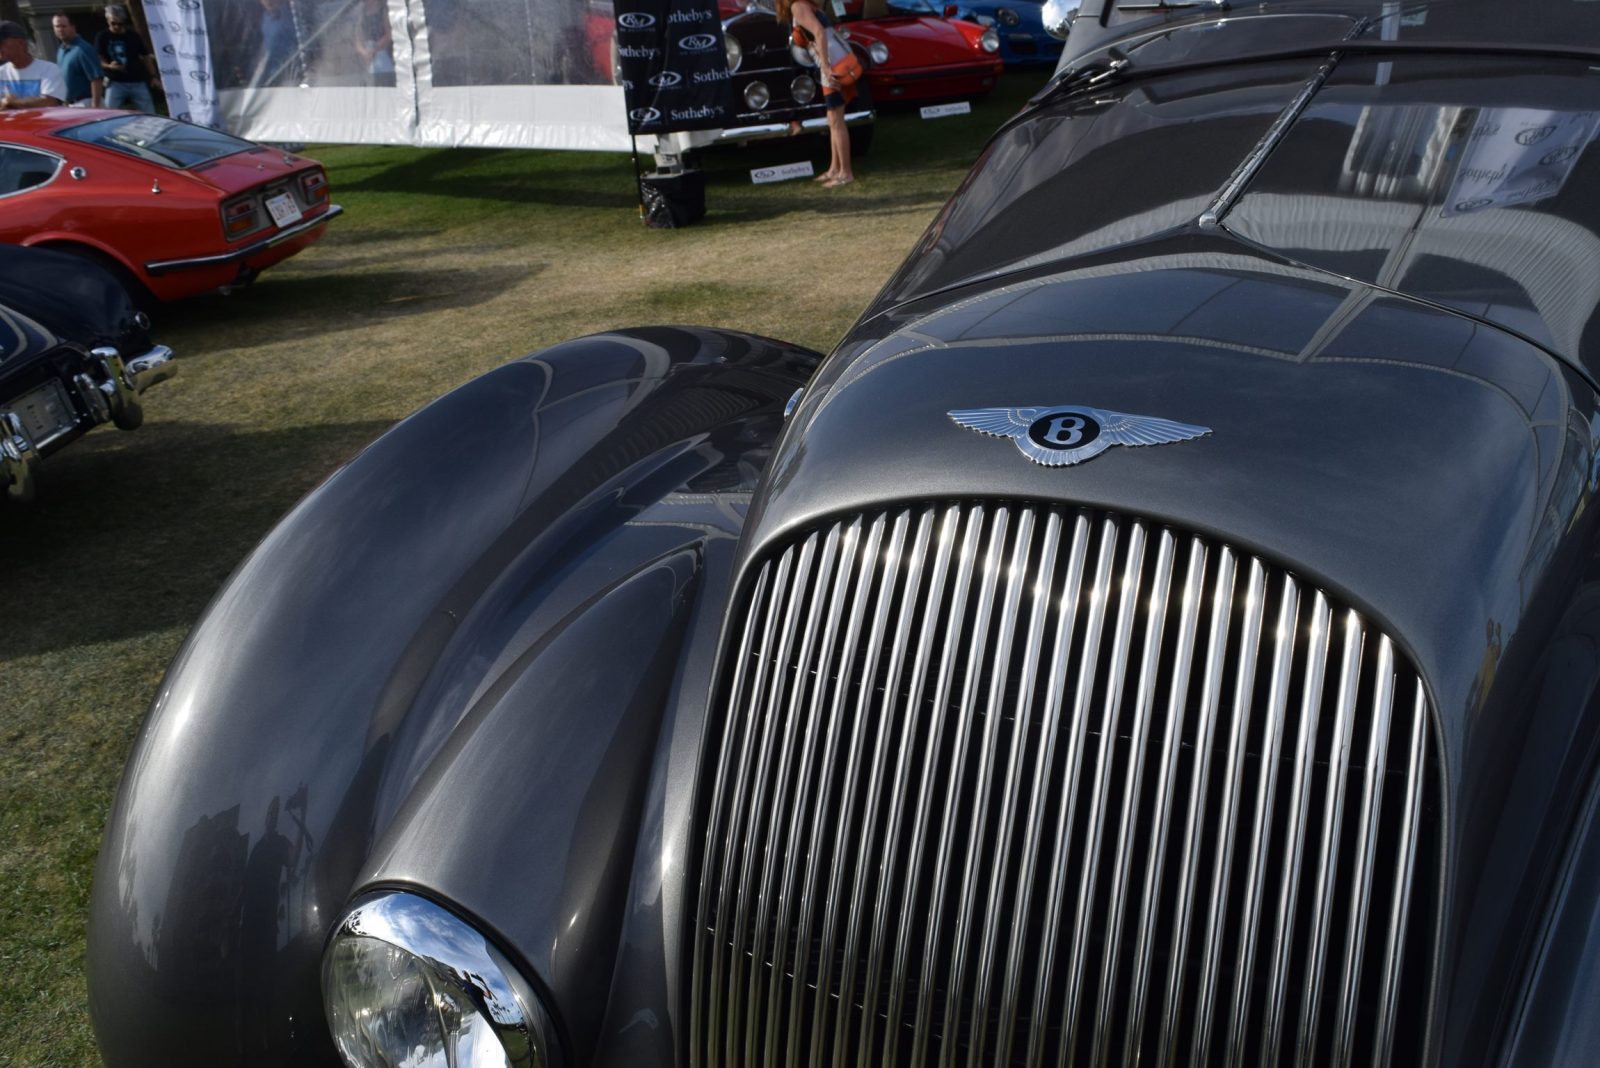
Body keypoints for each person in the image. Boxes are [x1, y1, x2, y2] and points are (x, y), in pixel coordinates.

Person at [775, 0, 854, 188]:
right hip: (834, 61)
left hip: (832, 65)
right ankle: (835, 168)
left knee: (836, 120)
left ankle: (845, 172)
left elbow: (818, 32)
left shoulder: (798, 6)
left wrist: (826, 66)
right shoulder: (808, 5)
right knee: (832, 119)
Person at [96, 4, 157, 112]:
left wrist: (153, 76)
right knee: (108, 113)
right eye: (113, 23)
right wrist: (109, 66)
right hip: (115, 81)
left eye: (120, 24)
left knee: (149, 112)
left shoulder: (133, 35)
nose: (117, 26)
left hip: (137, 80)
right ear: (107, 20)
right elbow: (98, 59)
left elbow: (146, 56)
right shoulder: (103, 36)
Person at [0, 21, 66, 110]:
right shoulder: (1, 72)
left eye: (2, 43)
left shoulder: (49, 70)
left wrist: (12, 102)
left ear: (21, 43)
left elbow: (49, 102)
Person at [52, 14, 103, 107]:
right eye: (57, 26)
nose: (60, 29)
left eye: (63, 26)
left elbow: (96, 79)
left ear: (72, 27)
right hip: (70, 104)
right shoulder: (61, 49)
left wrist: (95, 105)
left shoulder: (83, 49)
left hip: (86, 102)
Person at [354, 0, 394, 87]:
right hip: (368, 61)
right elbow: (358, 38)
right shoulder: (361, 13)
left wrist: (375, 49)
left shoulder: (384, 10)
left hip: (384, 60)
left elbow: (389, 35)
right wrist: (364, 52)